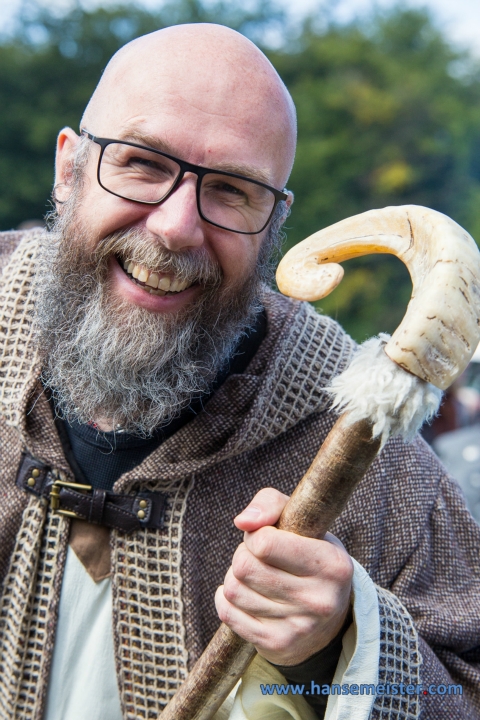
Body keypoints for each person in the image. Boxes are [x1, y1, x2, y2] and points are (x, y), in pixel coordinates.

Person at [0, 22, 478, 720]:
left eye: (231, 190)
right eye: (141, 163)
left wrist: (336, 643)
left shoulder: (362, 447)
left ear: (275, 219)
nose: (174, 226)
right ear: (68, 168)